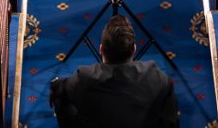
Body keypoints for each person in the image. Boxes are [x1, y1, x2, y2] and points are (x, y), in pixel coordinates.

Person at [51, 18, 180, 128]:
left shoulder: (84, 77)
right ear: (134, 49)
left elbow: (59, 89)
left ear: (101, 49)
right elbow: (171, 121)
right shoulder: (158, 77)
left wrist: (56, 84)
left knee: (59, 97)